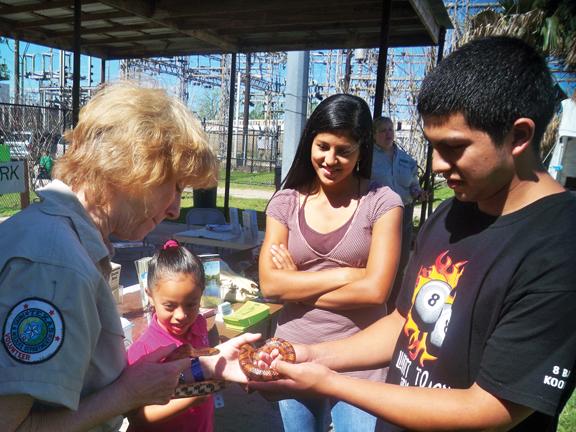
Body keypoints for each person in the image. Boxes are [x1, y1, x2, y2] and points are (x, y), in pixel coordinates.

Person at [251, 36, 576, 431]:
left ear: (519, 137)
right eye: (432, 147)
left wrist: (329, 381)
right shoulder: (450, 216)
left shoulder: (559, 247)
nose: (437, 165)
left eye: (453, 147)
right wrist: (311, 355)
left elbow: (489, 410)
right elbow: (404, 322)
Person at [0, 81, 260, 432]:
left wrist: (206, 368)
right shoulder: (58, 267)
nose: (174, 209)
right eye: (174, 187)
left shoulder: (59, 241)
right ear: (130, 167)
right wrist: (126, 394)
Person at [259, 93, 403, 431]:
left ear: (361, 152)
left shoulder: (382, 203)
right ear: (310, 141)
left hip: (360, 359)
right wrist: (348, 274)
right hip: (293, 349)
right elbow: (270, 286)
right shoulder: (285, 203)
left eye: (344, 151)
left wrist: (295, 287)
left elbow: (375, 292)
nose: (330, 159)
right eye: (323, 146)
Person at [127, 239, 214, 432]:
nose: (181, 316)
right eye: (170, 306)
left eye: (191, 304)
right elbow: (137, 418)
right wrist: (193, 398)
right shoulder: (143, 352)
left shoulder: (198, 324)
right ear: (150, 295)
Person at [371, 116, 425, 311]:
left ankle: (393, 306)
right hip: (378, 217)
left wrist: (418, 192)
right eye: (383, 130)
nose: (388, 134)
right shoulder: (367, 158)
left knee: (400, 262)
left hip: (404, 216)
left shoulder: (406, 159)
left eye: (390, 129)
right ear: (374, 134)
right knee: (377, 261)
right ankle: (375, 303)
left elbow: (413, 185)